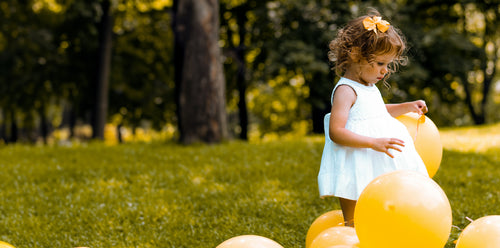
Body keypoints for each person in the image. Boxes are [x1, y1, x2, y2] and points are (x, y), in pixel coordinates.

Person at [318, 9, 429, 227]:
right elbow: (336, 131)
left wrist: (407, 107)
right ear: (356, 56)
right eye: (380, 63)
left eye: (387, 64)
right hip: (355, 158)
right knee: (355, 217)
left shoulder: (368, 86)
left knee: (382, 206)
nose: (385, 71)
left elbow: (376, 113)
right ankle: (350, 230)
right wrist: (373, 142)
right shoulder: (346, 90)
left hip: (375, 157)